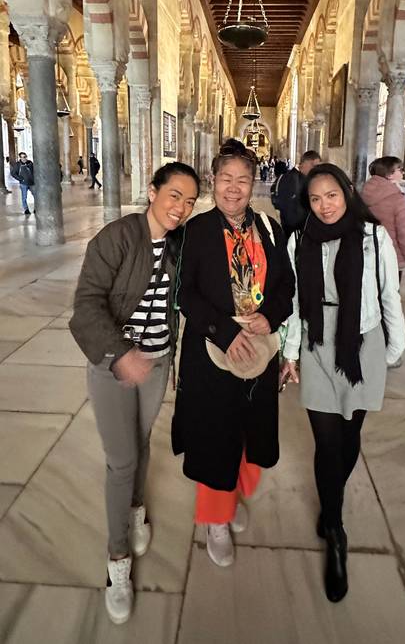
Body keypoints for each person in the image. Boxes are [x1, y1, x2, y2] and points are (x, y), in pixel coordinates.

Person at [69, 162, 199, 625]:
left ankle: (137, 508)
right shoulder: (118, 237)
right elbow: (85, 306)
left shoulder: (180, 243)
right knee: (121, 459)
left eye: (188, 200)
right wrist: (122, 352)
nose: (180, 207)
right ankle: (117, 561)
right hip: (113, 363)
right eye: (174, 195)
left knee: (141, 442)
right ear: (152, 191)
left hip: (158, 361)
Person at [281, 163, 405, 603]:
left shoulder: (373, 238)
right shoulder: (299, 240)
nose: (324, 206)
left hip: (360, 341)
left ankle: (329, 503)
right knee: (327, 440)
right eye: (315, 199)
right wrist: (291, 352)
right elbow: (297, 301)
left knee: (350, 432)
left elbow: (389, 293)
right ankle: (335, 528)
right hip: (318, 341)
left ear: (346, 192)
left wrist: (393, 349)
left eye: (331, 195)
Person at [172, 138, 295, 568]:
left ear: (254, 183)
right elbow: (184, 294)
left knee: (250, 430)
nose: (234, 188)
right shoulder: (196, 231)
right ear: (213, 180)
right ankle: (215, 518)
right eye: (226, 178)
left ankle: (235, 491)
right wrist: (224, 331)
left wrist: (271, 317)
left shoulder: (271, 227)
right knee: (214, 435)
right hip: (212, 351)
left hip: (259, 349)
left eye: (243, 179)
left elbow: (286, 286)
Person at [362, 156, 405, 281]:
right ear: (389, 174)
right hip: (391, 254)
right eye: (399, 169)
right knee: (390, 296)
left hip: (369, 251)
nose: (402, 172)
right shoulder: (397, 199)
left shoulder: (365, 192)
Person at [274, 149, 321, 238]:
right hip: (296, 233)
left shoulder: (305, 179)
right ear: (304, 163)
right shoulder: (289, 179)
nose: (315, 170)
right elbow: (289, 211)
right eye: (313, 166)